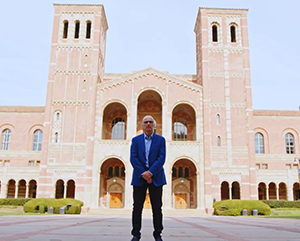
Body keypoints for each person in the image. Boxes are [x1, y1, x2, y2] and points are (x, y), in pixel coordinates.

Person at [130, 115, 166, 241]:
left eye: (151, 122)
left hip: (156, 177)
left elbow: (161, 158)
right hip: (139, 178)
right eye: (146, 122)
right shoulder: (135, 140)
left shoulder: (161, 140)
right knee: (137, 207)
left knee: (157, 207)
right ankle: (136, 234)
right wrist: (144, 173)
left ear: (154, 125)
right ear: (142, 125)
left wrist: (150, 173)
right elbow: (133, 158)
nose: (148, 124)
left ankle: (157, 234)